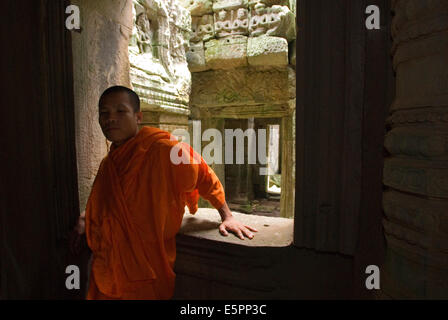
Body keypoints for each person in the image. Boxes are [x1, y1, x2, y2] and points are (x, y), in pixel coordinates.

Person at [70, 85, 257, 300]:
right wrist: (87, 218)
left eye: (120, 111)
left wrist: (227, 215)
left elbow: (203, 174)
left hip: (148, 268)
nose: (110, 119)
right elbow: (106, 202)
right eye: (104, 113)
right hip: (109, 265)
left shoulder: (164, 149)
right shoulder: (109, 163)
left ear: (138, 117)